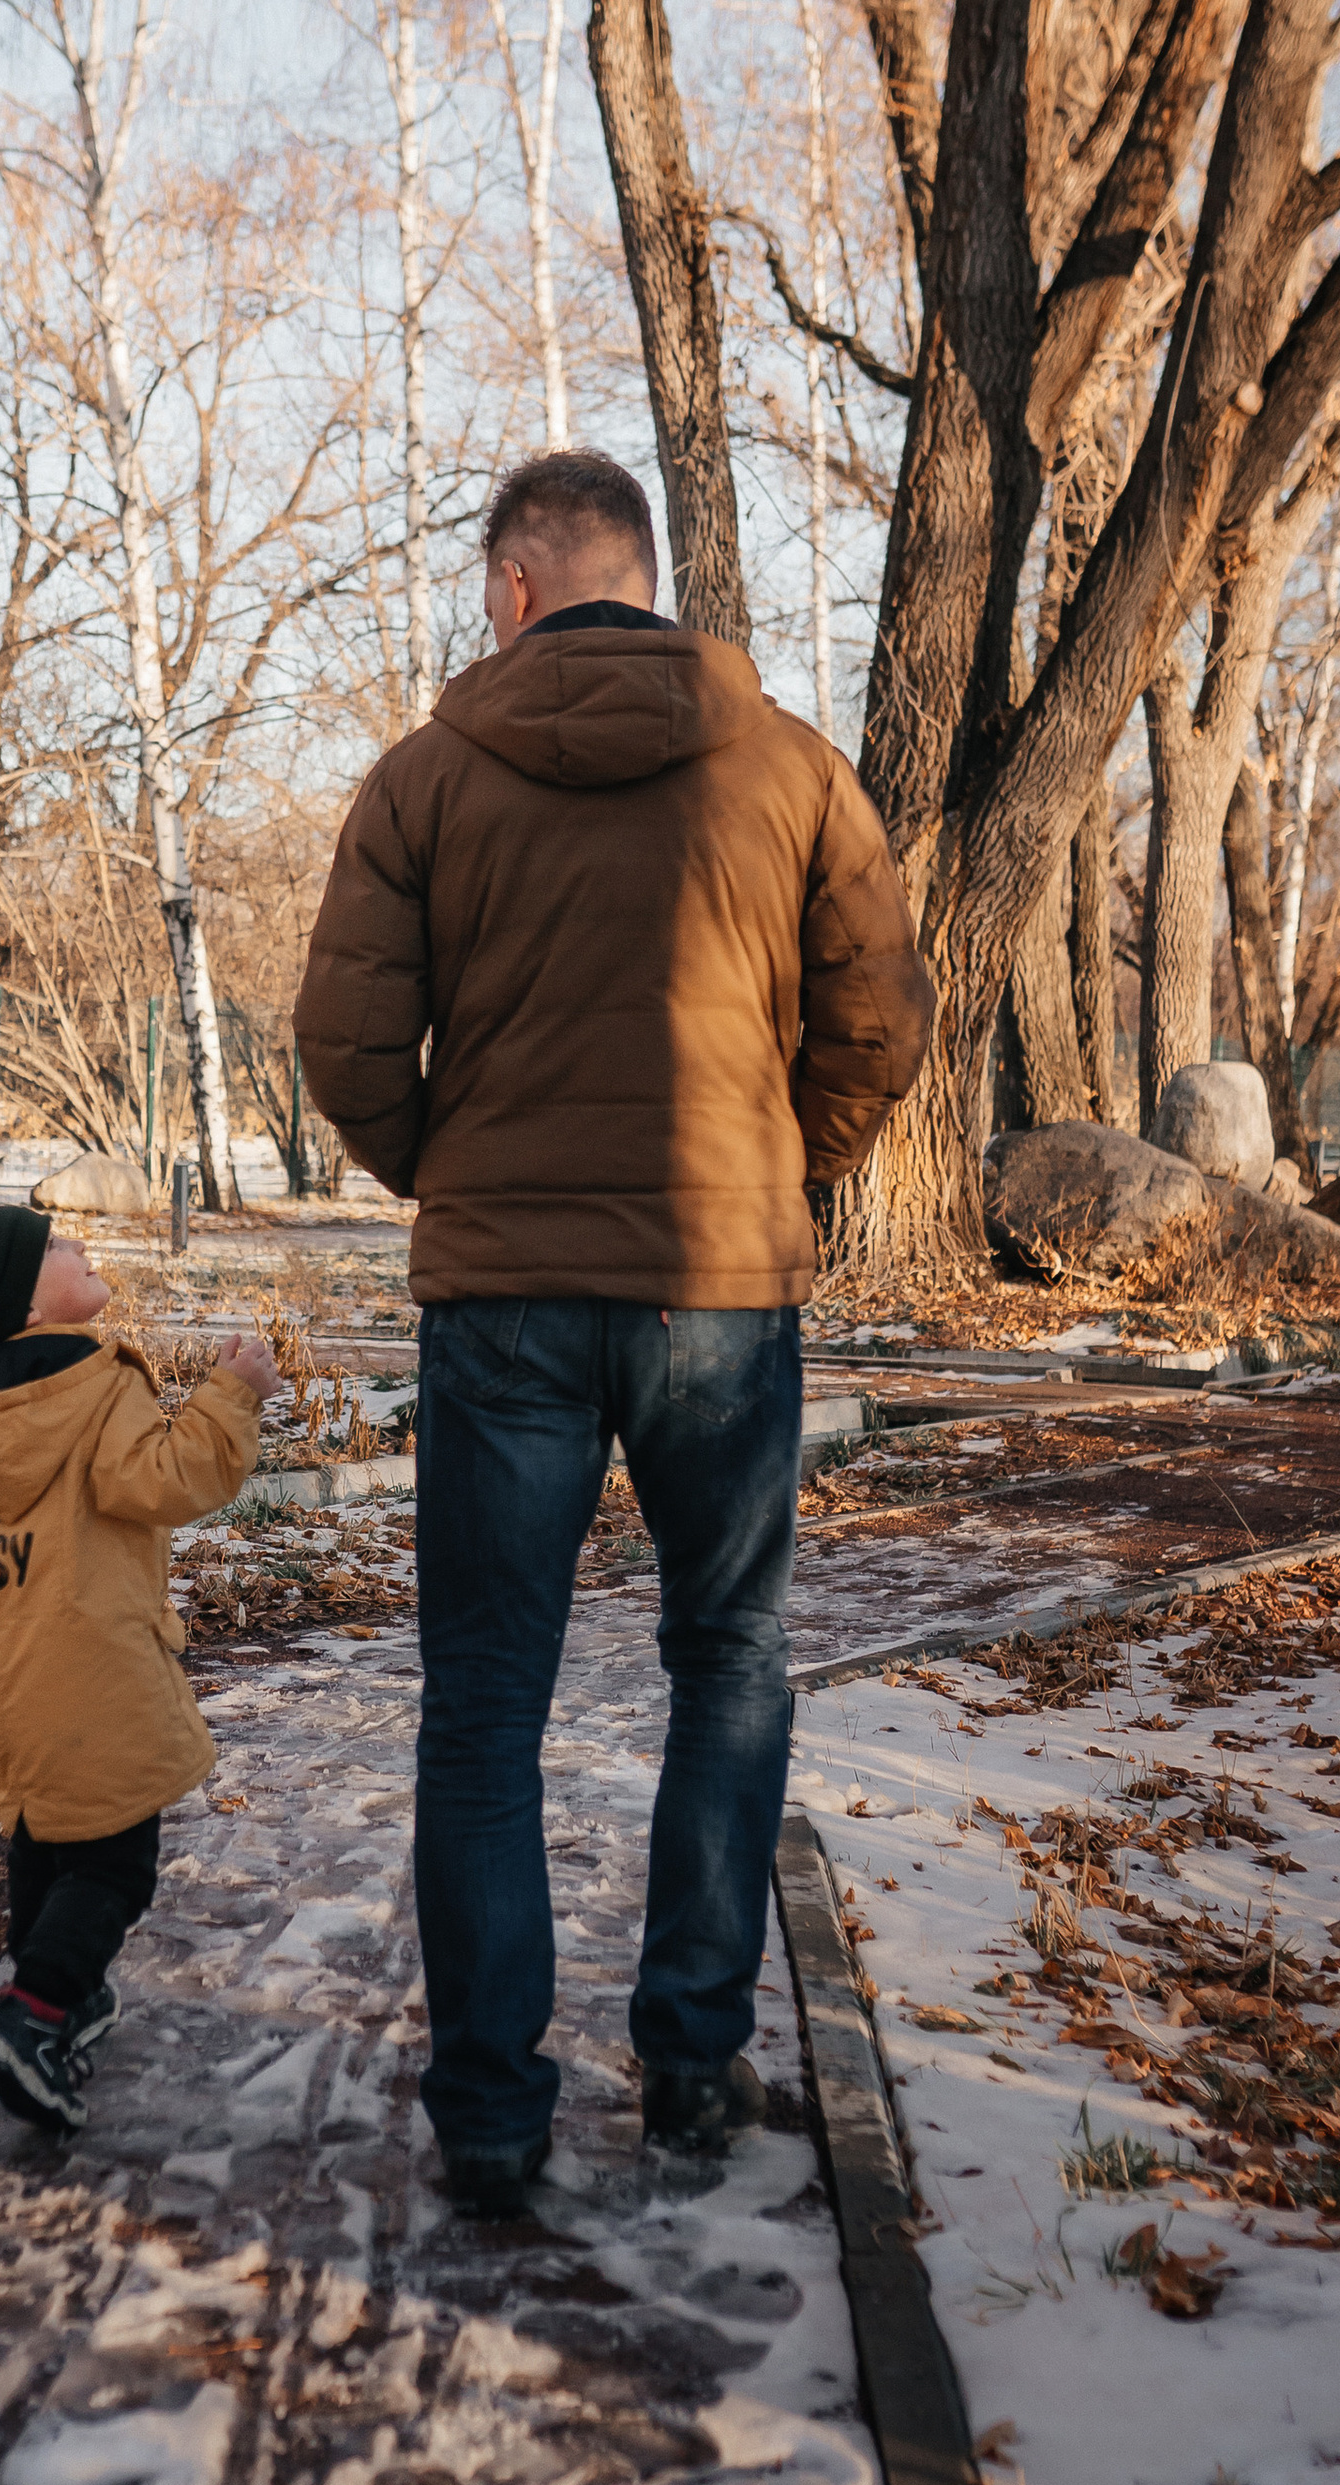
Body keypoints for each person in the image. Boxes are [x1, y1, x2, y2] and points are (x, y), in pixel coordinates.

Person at [295, 448, 932, 2216]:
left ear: (517, 586)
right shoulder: (797, 767)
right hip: (721, 1290)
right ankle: (693, 2065)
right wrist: (774, 1175)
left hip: (503, 1300)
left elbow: (344, 1046)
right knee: (727, 1661)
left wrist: (468, 1176)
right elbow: (883, 1019)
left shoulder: (425, 779)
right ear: (643, 579)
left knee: (486, 1703)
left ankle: (492, 2117)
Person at [0, 1206, 283, 2131]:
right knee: (114, 1865)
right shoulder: (93, 1384)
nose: (78, 1247)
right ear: (28, 1307)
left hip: (7, 1675)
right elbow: (164, 1481)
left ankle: (60, 2000)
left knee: (49, 1840)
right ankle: (32, 2016)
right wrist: (232, 1395)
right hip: (100, 1666)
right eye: (56, 1248)